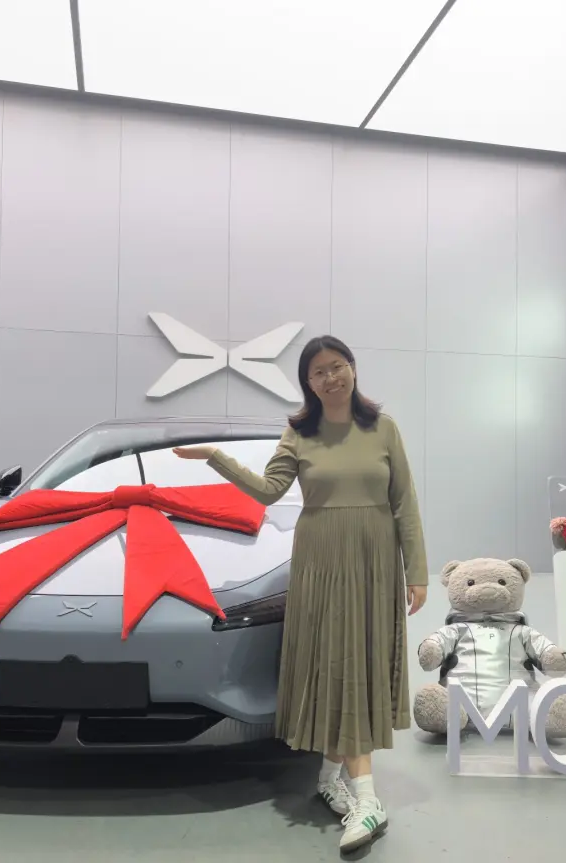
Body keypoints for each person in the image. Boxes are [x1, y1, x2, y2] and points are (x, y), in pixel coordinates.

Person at [174, 334, 428, 853]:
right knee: (335, 663)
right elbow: (268, 490)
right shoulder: (299, 432)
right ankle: (364, 797)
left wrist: (416, 570)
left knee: (358, 664)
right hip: (320, 562)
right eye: (318, 372)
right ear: (308, 383)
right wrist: (217, 457)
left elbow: (404, 502)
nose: (330, 377)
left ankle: (336, 781)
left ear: (352, 368)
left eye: (337, 366)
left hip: (374, 561)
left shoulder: (383, 428)